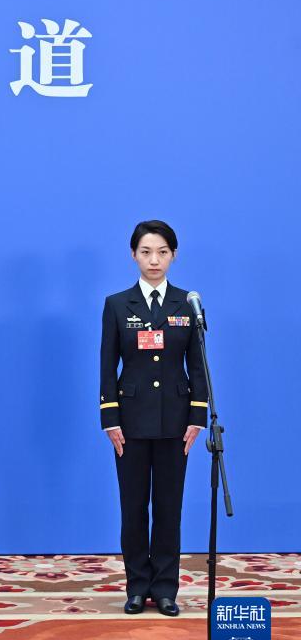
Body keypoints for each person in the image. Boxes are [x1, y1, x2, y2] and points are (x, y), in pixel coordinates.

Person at [100, 219, 207, 617]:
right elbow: (106, 365)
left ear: (173, 255)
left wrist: (197, 415)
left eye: (162, 252)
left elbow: (197, 365)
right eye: (146, 252)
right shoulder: (116, 304)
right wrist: (110, 417)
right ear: (133, 255)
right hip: (129, 423)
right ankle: (136, 587)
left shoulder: (187, 304)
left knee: (168, 508)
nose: (154, 260)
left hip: (176, 422)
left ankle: (164, 588)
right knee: (133, 508)